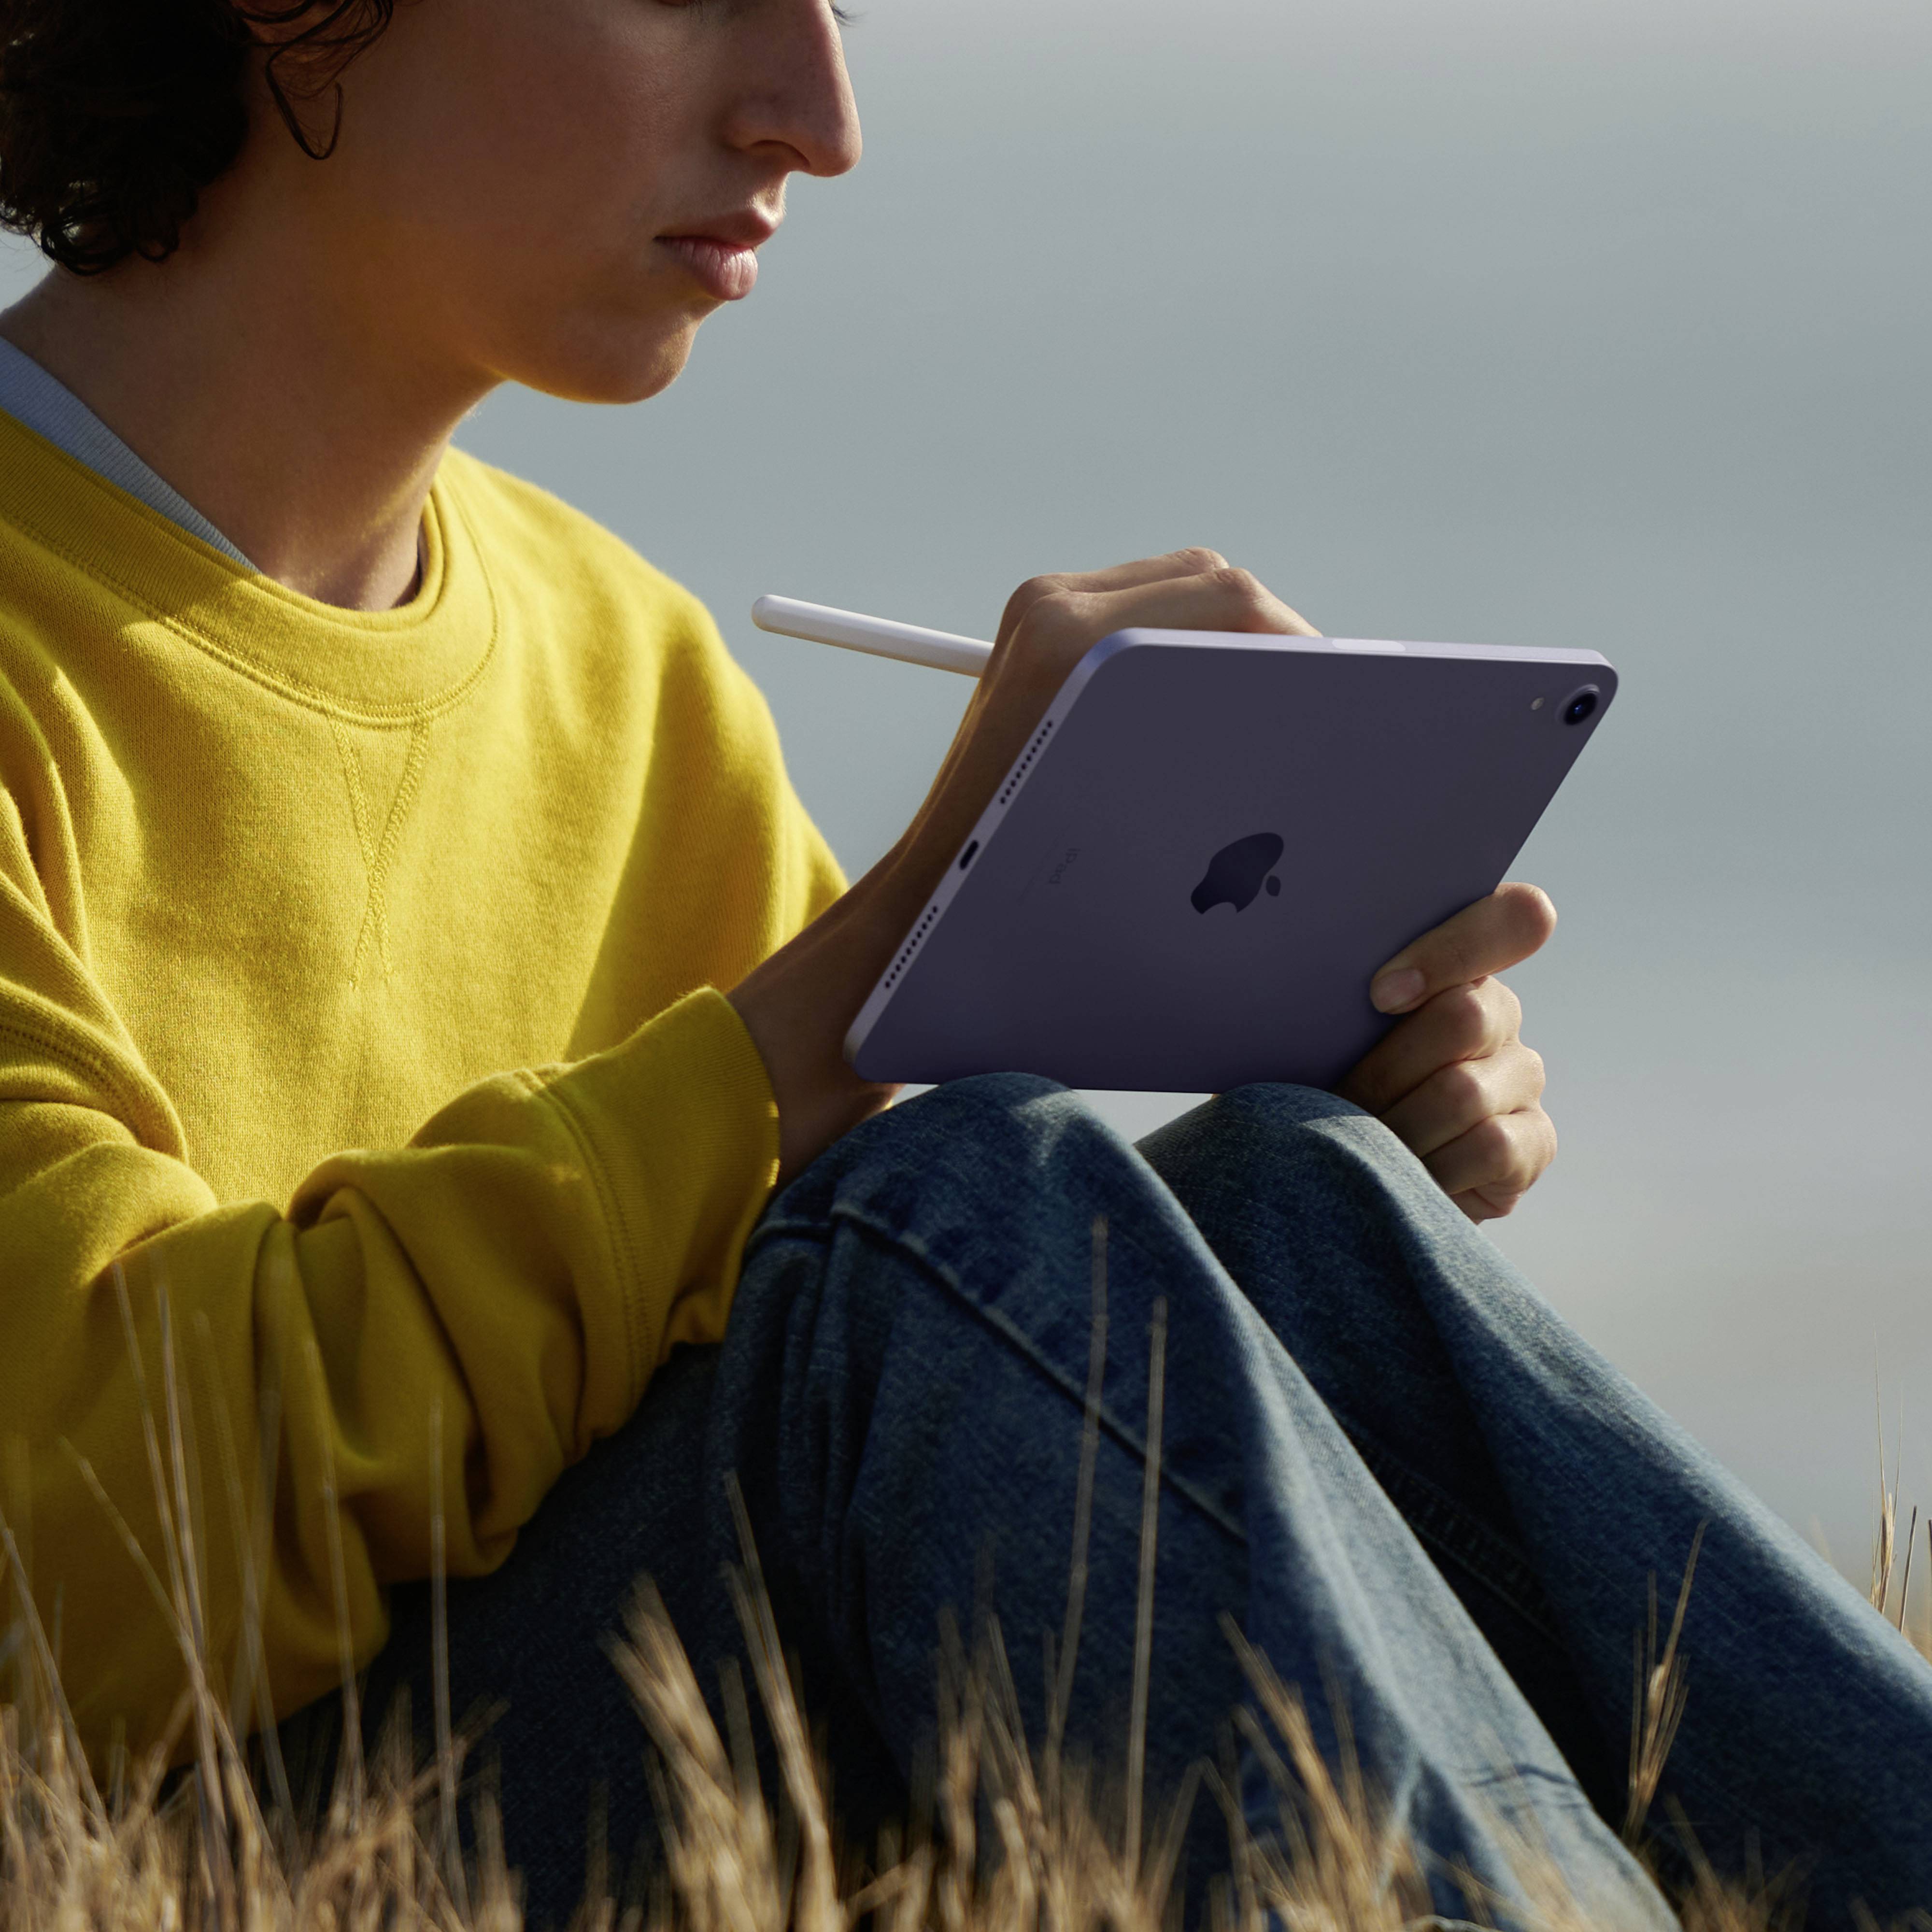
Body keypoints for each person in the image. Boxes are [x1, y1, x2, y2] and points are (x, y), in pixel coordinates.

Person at [0, 1, 1926, 1925]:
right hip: (191, 1839)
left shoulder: (622, 663)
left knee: (1279, 1203)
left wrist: (1305, 1204)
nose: (815, 119)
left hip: (581, 1750)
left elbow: (856, 1366)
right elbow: (91, 1562)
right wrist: (886, 957)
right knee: (956, 1206)